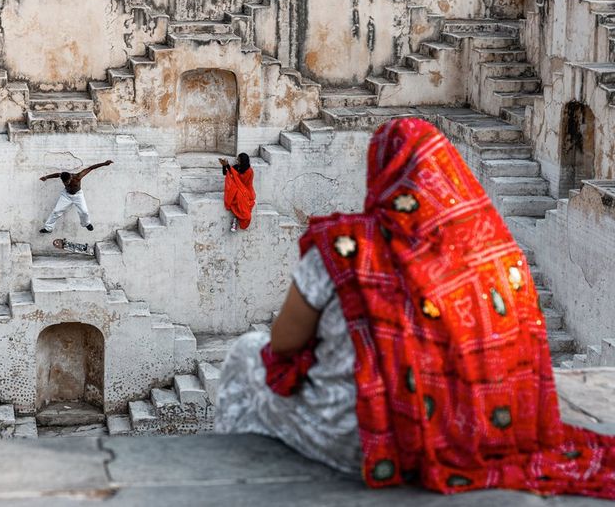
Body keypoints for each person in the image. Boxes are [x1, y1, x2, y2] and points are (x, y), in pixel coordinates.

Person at [215, 118, 615, 499]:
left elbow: (283, 342)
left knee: (246, 354)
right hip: (471, 432)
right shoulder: (496, 252)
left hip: (361, 435)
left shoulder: (347, 246)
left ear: (381, 171)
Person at [39, 160, 113, 234]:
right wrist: (46, 177)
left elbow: (91, 168)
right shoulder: (62, 175)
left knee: (84, 212)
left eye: (67, 182)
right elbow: (55, 175)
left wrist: (104, 164)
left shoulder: (78, 176)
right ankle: (48, 228)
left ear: (70, 178)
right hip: (66, 195)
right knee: (56, 211)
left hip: (78, 195)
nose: (66, 183)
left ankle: (86, 224)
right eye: (64, 183)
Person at [219, 153, 255, 232]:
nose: (237, 161)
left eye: (239, 160)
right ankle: (235, 220)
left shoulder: (249, 171)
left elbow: (241, 181)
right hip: (238, 188)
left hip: (246, 190)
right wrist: (224, 165)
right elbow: (226, 173)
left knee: (239, 196)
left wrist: (229, 167)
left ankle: (236, 219)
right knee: (236, 193)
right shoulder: (237, 167)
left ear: (243, 161)